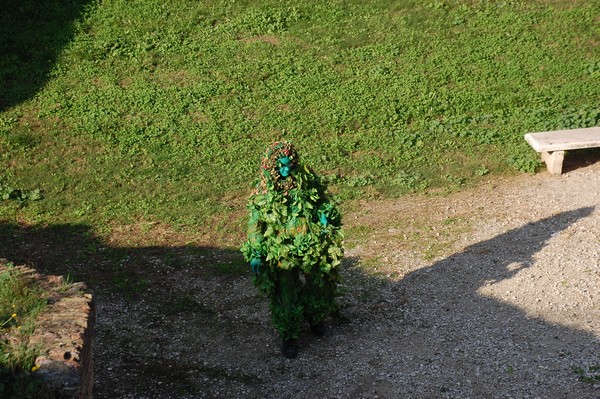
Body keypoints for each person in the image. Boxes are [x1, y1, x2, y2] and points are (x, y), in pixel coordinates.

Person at [241, 141, 343, 358]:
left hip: (311, 245)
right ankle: (290, 336)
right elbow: (255, 225)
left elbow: (323, 201)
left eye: (289, 165)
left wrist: (326, 214)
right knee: (286, 293)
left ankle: (316, 317)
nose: (286, 170)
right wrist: (257, 252)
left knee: (319, 282)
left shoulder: (305, 181)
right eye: (282, 166)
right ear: (272, 167)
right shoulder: (263, 192)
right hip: (282, 252)